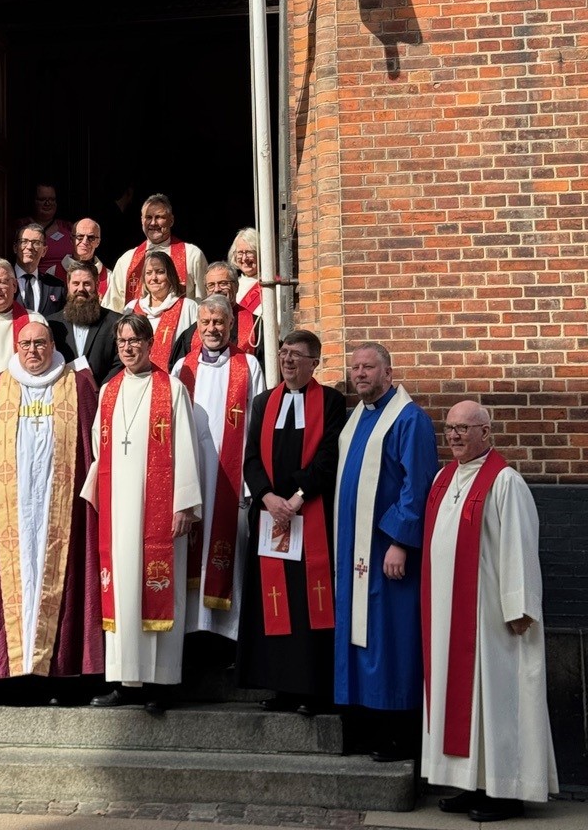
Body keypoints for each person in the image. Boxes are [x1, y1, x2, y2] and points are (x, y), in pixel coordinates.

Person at [0, 323, 102, 696]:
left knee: (56, 578)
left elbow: (89, 450)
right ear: (17, 347)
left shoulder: (76, 386)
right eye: (26, 344)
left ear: (52, 345)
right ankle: (4, 677)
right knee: (8, 581)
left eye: (40, 343)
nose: (33, 350)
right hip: (7, 510)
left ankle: (57, 674)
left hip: (58, 508)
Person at [422, 400, 558, 821]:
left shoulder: (505, 481)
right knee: (463, 705)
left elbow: (519, 544)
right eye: (450, 428)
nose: (457, 435)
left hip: (493, 617)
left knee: (497, 701)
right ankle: (469, 783)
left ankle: (505, 792)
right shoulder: (443, 479)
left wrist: (519, 606)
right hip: (449, 615)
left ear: (487, 433)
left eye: (466, 427)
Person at [81, 313, 202, 714]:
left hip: (159, 508)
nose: (128, 348)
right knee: (122, 590)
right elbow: (101, 453)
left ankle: (161, 683)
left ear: (151, 344)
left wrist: (185, 503)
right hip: (118, 509)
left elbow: (186, 446)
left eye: (135, 341)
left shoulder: (171, 389)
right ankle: (125, 680)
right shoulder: (109, 390)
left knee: (155, 586)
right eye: (122, 342)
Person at [334, 342, 438, 759]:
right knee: (359, 638)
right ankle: (363, 728)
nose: (360, 374)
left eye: (368, 367)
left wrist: (400, 541)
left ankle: (397, 736)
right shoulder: (356, 418)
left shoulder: (409, 420)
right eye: (355, 368)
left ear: (388, 373)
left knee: (389, 640)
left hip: (387, 555)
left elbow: (419, 485)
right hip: (353, 554)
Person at [236, 329, 346, 714]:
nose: (287, 360)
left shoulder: (331, 401)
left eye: (296, 355)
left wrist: (296, 500)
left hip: (309, 513)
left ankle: (310, 689)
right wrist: (267, 497)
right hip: (270, 516)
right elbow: (249, 456)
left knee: (306, 602)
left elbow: (328, 457)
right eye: (283, 353)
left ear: (314, 362)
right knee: (272, 602)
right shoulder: (265, 402)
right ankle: (279, 684)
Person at [172, 294, 265, 643]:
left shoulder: (249, 366)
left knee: (231, 556)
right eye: (206, 323)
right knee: (191, 556)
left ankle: (228, 638)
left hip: (231, 478)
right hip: (193, 477)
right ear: (197, 327)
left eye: (219, 322)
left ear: (230, 325)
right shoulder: (183, 368)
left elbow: (257, 426)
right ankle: (191, 635)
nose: (212, 329)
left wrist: (249, 483)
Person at [105, 193, 207, 311]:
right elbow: (113, 308)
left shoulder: (192, 255)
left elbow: (203, 302)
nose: (153, 223)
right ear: (142, 221)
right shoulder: (126, 260)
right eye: (148, 217)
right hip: (137, 327)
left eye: (159, 217)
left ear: (171, 220)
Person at [48, 260, 122, 387]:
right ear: (68, 284)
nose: (81, 289)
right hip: (61, 397)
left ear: (97, 284)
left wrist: (101, 389)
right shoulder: (52, 324)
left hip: (103, 393)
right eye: (76, 283)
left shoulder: (115, 322)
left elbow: (120, 361)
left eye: (87, 284)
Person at [171, 260, 260, 361]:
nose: (217, 289)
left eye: (223, 283)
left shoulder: (256, 327)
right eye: (211, 285)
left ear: (236, 286)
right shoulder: (192, 333)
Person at [124, 249, 197, 371]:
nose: (154, 278)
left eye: (160, 272)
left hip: (173, 378)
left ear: (170, 275)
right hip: (137, 377)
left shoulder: (188, 307)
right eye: (148, 273)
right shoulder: (131, 308)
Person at [45, 217, 113, 300]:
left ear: (98, 242)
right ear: (71, 239)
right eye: (80, 236)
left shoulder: (109, 278)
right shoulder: (52, 273)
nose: (85, 242)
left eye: (91, 237)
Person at [16, 182, 74, 274]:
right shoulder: (21, 226)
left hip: (68, 283)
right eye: (42, 199)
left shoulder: (68, 227)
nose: (48, 203)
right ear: (33, 201)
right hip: (35, 282)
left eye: (52, 199)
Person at [13, 221, 67, 316]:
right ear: (15, 248)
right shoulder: (2, 281)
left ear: (44, 251)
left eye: (36, 243)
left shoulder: (57, 286)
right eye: (24, 241)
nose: (29, 247)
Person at [230, 228, 262, 318]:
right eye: (240, 253)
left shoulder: (273, 285)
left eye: (249, 252)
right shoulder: (232, 285)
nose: (244, 258)